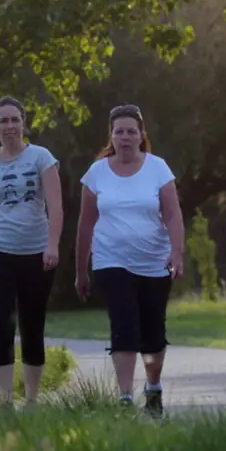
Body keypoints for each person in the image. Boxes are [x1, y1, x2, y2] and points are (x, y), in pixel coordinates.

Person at [75, 104, 184, 417]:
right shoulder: (96, 173)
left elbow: (173, 214)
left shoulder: (158, 168)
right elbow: (85, 224)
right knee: (123, 325)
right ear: (111, 136)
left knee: (153, 332)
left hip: (154, 261)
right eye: (119, 131)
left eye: (130, 131)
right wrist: (81, 271)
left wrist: (177, 253)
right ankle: (124, 398)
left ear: (141, 135)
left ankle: (153, 388)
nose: (124, 136)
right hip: (110, 261)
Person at [0, 95, 63, 408]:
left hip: (36, 253)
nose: (10, 126)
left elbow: (56, 206)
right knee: (1, 324)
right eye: (3, 120)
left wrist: (52, 244)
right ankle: (5, 401)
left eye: (15, 120)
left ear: (23, 123)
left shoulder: (41, 157)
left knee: (33, 324)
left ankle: (32, 401)